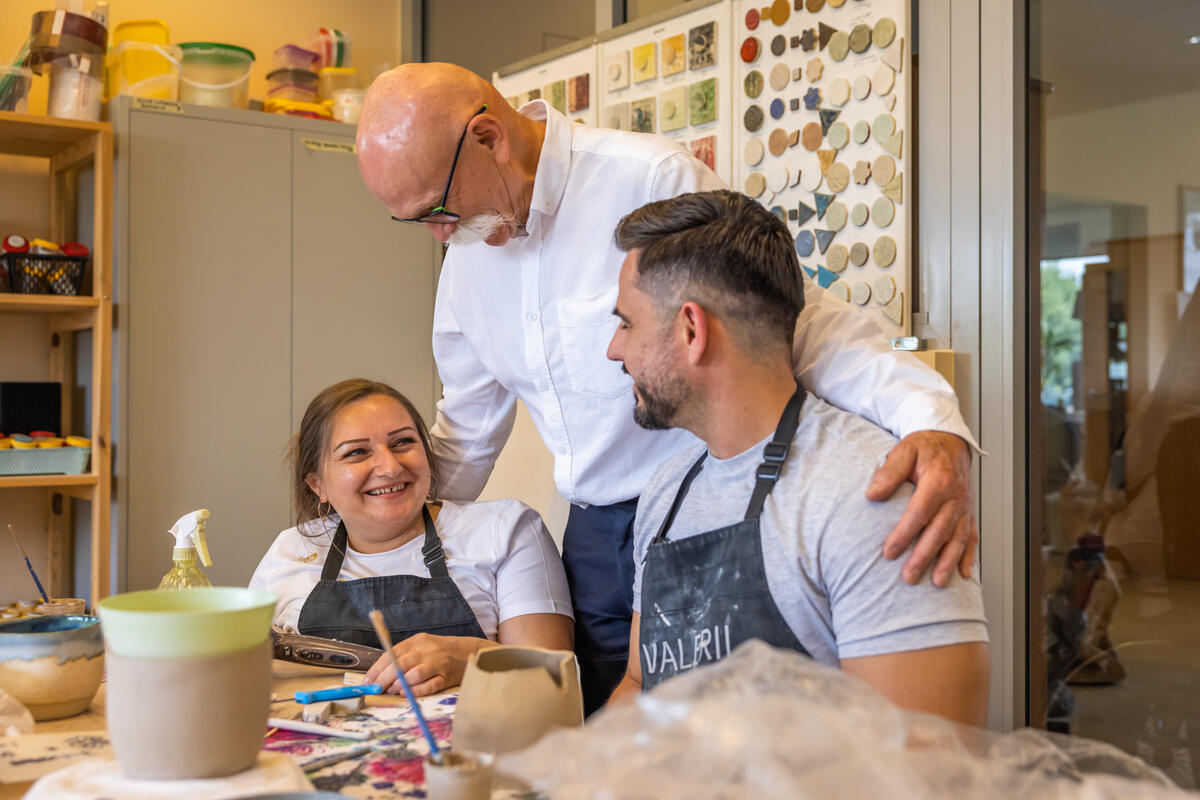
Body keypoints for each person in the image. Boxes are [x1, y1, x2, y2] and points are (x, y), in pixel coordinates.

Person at [355, 62, 980, 714]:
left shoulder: (646, 179)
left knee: (750, 714)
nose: (438, 233)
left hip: (721, 503)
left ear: (489, 138)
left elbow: (794, 321)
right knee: (613, 718)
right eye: (414, 220)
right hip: (598, 537)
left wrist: (928, 418)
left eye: (439, 207)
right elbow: (467, 431)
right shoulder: (467, 260)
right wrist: (377, 531)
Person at [604, 191, 989, 725]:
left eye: (626, 323)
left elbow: (930, 769)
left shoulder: (871, 499)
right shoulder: (667, 492)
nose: (613, 350)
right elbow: (639, 684)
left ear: (692, 331)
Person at [249, 378, 573, 696]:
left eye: (403, 442)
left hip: (471, 747)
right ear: (317, 484)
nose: (390, 467)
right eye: (357, 453)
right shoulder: (289, 551)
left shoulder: (504, 529)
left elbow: (553, 685)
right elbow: (244, 679)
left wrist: (468, 657)